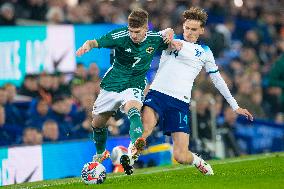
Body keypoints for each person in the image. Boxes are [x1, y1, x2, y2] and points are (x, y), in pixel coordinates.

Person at [140, 7, 253, 175]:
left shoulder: (205, 52)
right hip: (157, 94)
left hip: (180, 102)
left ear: (202, 30)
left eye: (194, 29)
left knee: (180, 155)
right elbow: (151, 37)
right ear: (182, 26)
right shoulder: (170, 39)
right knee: (146, 128)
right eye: (187, 28)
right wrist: (166, 36)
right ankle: (128, 156)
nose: (189, 32)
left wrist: (235, 106)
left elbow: (218, 80)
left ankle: (198, 161)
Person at [76, 8, 179, 175]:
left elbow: (168, 35)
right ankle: (101, 154)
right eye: (131, 31)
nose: (133, 35)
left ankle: (136, 143)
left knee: (133, 109)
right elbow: (94, 42)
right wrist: (87, 46)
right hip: (113, 83)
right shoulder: (120, 35)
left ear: (146, 29)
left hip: (135, 82)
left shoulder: (154, 39)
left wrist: (172, 35)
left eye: (137, 32)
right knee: (97, 123)